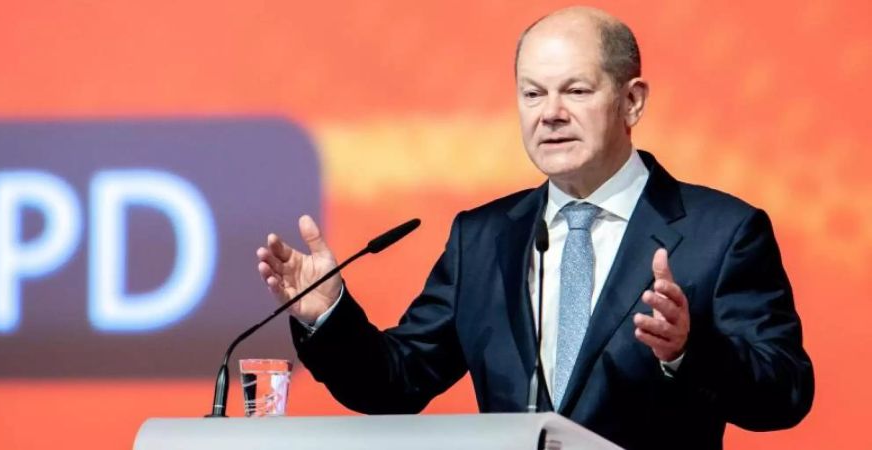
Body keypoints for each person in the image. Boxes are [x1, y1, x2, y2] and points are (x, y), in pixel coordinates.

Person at [256, 6, 813, 450]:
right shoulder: (483, 237)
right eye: (532, 93)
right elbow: (395, 382)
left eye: (575, 90)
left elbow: (786, 393)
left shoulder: (724, 233)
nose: (549, 113)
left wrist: (690, 350)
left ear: (633, 101)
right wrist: (326, 312)